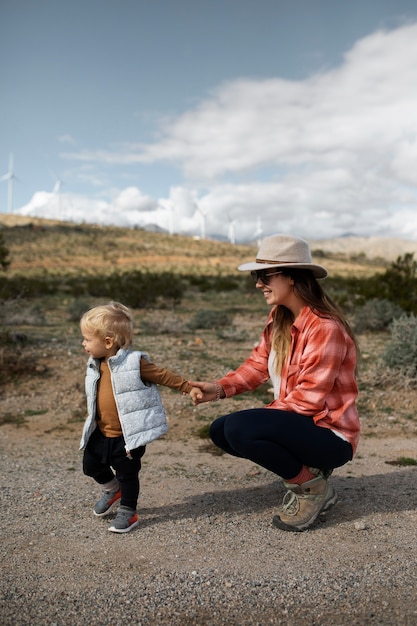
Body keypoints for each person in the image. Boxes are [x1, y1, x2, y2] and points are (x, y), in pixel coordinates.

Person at [189, 234, 360, 532]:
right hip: (302, 425)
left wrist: (262, 420)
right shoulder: (279, 318)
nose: (258, 283)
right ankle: (307, 470)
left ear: (292, 277)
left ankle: (312, 488)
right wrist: (218, 389)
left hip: (331, 435)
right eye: (257, 275)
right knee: (221, 431)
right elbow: (257, 365)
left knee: (241, 428)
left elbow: (308, 399)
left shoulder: (325, 328)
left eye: (264, 275)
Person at [79, 301, 194, 534]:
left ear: (108, 342)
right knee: (90, 465)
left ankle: (128, 512)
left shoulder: (134, 363)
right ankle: (113, 489)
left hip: (128, 436)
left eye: (87, 339)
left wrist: (187, 387)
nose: (83, 344)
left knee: (128, 474)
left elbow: (162, 375)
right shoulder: (95, 364)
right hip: (101, 432)